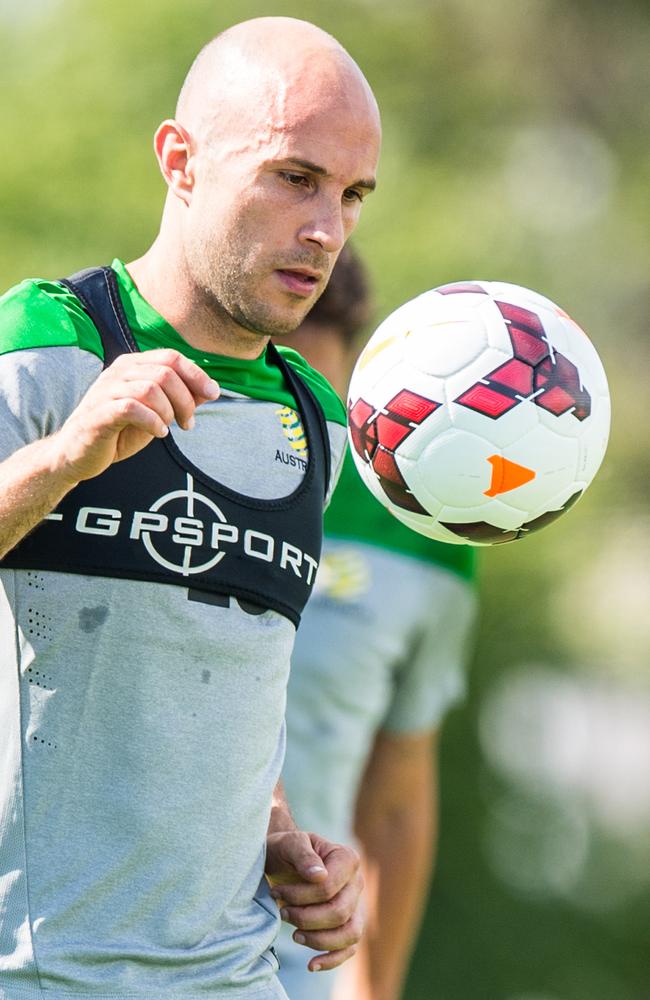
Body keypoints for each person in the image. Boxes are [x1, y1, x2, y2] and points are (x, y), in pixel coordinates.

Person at [0, 17, 382, 1000]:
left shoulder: (318, 424)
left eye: (350, 196)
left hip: (231, 976)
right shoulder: (48, 341)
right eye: (294, 176)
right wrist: (61, 460)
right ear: (179, 159)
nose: (325, 229)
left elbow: (209, 703)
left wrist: (282, 840)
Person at [274, 246, 479, 1000]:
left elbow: (396, 791)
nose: (287, 422)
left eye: (311, 395)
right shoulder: (128, 452)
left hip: (294, 973)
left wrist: (379, 987)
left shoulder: (422, 522)